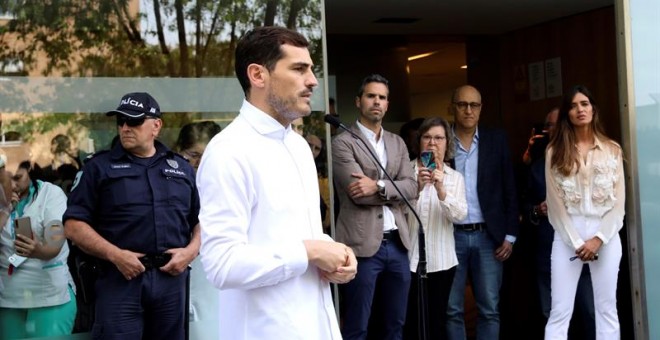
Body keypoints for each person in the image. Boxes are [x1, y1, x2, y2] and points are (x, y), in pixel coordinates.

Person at [195, 26, 356, 340]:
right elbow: (221, 264)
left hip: (318, 323)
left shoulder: (297, 146)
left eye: (311, 69)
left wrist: (335, 255)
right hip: (265, 329)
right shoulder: (228, 151)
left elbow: (300, 234)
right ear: (258, 75)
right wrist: (309, 252)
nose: (312, 81)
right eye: (298, 69)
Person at [63, 92, 201, 340]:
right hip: (119, 280)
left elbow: (200, 220)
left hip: (170, 280)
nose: (125, 127)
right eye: (121, 121)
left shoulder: (180, 168)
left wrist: (190, 252)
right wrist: (115, 255)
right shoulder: (98, 168)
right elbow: (73, 225)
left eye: (134, 121)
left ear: (156, 126)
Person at [332, 73, 417, 340]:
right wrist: (394, 189)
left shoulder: (397, 142)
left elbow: (412, 187)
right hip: (362, 246)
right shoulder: (343, 141)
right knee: (358, 324)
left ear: (387, 104)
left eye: (382, 97)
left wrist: (378, 186)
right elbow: (358, 193)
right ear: (359, 101)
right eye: (371, 96)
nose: (376, 102)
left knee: (395, 323)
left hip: (398, 244)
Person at [544, 85, 625, 340]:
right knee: (559, 311)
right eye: (573, 105)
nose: (580, 109)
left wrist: (598, 239)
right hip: (568, 234)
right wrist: (579, 242)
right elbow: (555, 206)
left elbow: (619, 203)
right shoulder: (554, 152)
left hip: (606, 234)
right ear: (567, 113)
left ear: (593, 108)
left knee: (607, 308)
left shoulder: (612, 150)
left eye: (585, 104)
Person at [446, 85, 519, 340]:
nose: (468, 110)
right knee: (452, 309)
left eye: (474, 105)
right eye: (462, 104)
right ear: (452, 107)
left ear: (480, 108)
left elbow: (509, 187)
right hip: (450, 235)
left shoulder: (495, 139)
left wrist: (510, 235)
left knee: (489, 309)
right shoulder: (440, 140)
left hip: (489, 236)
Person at [521, 108, 595, 338]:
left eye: (558, 124)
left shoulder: (590, 160)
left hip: (586, 252)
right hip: (549, 254)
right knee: (553, 317)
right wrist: (537, 209)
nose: (554, 130)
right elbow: (524, 205)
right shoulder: (536, 167)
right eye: (549, 126)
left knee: (592, 314)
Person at [403, 117, 467, 340]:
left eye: (439, 138)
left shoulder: (454, 178)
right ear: (419, 141)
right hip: (409, 260)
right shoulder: (405, 173)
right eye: (427, 137)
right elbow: (397, 213)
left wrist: (441, 189)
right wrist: (416, 189)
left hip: (442, 262)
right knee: (410, 321)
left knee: (438, 321)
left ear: (447, 143)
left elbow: (459, 215)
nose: (432, 143)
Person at [0, 161, 77, 339]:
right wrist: (6, 209)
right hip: (8, 297)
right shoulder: (3, 197)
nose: (12, 185)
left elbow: (55, 241)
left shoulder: (51, 193)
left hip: (50, 295)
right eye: (6, 180)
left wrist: (39, 251)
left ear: (29, 171)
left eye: (17, 178)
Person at [173, 121, 221, 340]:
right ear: (179, 151)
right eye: (193, 154)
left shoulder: (224, 181)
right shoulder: (169, 180)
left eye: (207, 154)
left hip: (213, 269)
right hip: (178, 267)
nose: (200, 162)